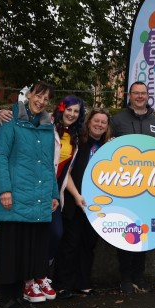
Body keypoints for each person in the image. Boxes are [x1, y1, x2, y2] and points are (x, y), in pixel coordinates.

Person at [0, 81, 60, 308]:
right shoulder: (10, 119)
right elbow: (0, 155)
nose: (41, 101)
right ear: (29, 94)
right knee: (10, 250)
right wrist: (4, 189)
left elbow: (49, 165)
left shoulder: (46, 127)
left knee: (29, 251)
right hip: (14, 196)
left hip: (39, 199)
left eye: (46, 99)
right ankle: (6, 299)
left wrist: (54, 194)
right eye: (38, 95)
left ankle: (18, 296)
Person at [110, 81, 155, 294]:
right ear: (129, 95)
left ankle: (139, 276)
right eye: (136, 93)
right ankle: (125, 278)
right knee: (125, 232)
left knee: (145, 231)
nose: (140, 96)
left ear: (148, 95)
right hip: (123, 187)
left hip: (149, 190)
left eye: (143, 93)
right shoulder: (117, 120)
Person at [53, 108, 112, 298]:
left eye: (103, 122)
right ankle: (62, 285)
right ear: (88, 122)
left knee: (88, 245)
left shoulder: (109, 147)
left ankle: (83, 283)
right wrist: (77, 196)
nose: (100, 125)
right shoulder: (78, 142)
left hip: (97, 206)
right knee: (70, 244)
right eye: (96, 121)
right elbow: (67, 171)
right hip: (74, 200)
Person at [48, 96, 85, 276]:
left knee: (56, 234)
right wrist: (0, 115)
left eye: (76, 111)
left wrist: (77, 196)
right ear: (61, 109)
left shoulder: (73, 136)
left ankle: (42, 273)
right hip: (39, 189)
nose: (71, 114)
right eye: (69, 109)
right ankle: (32, 279)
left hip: (55, 193)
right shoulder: (47, 125)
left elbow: (66, 172)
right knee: (37, 235)